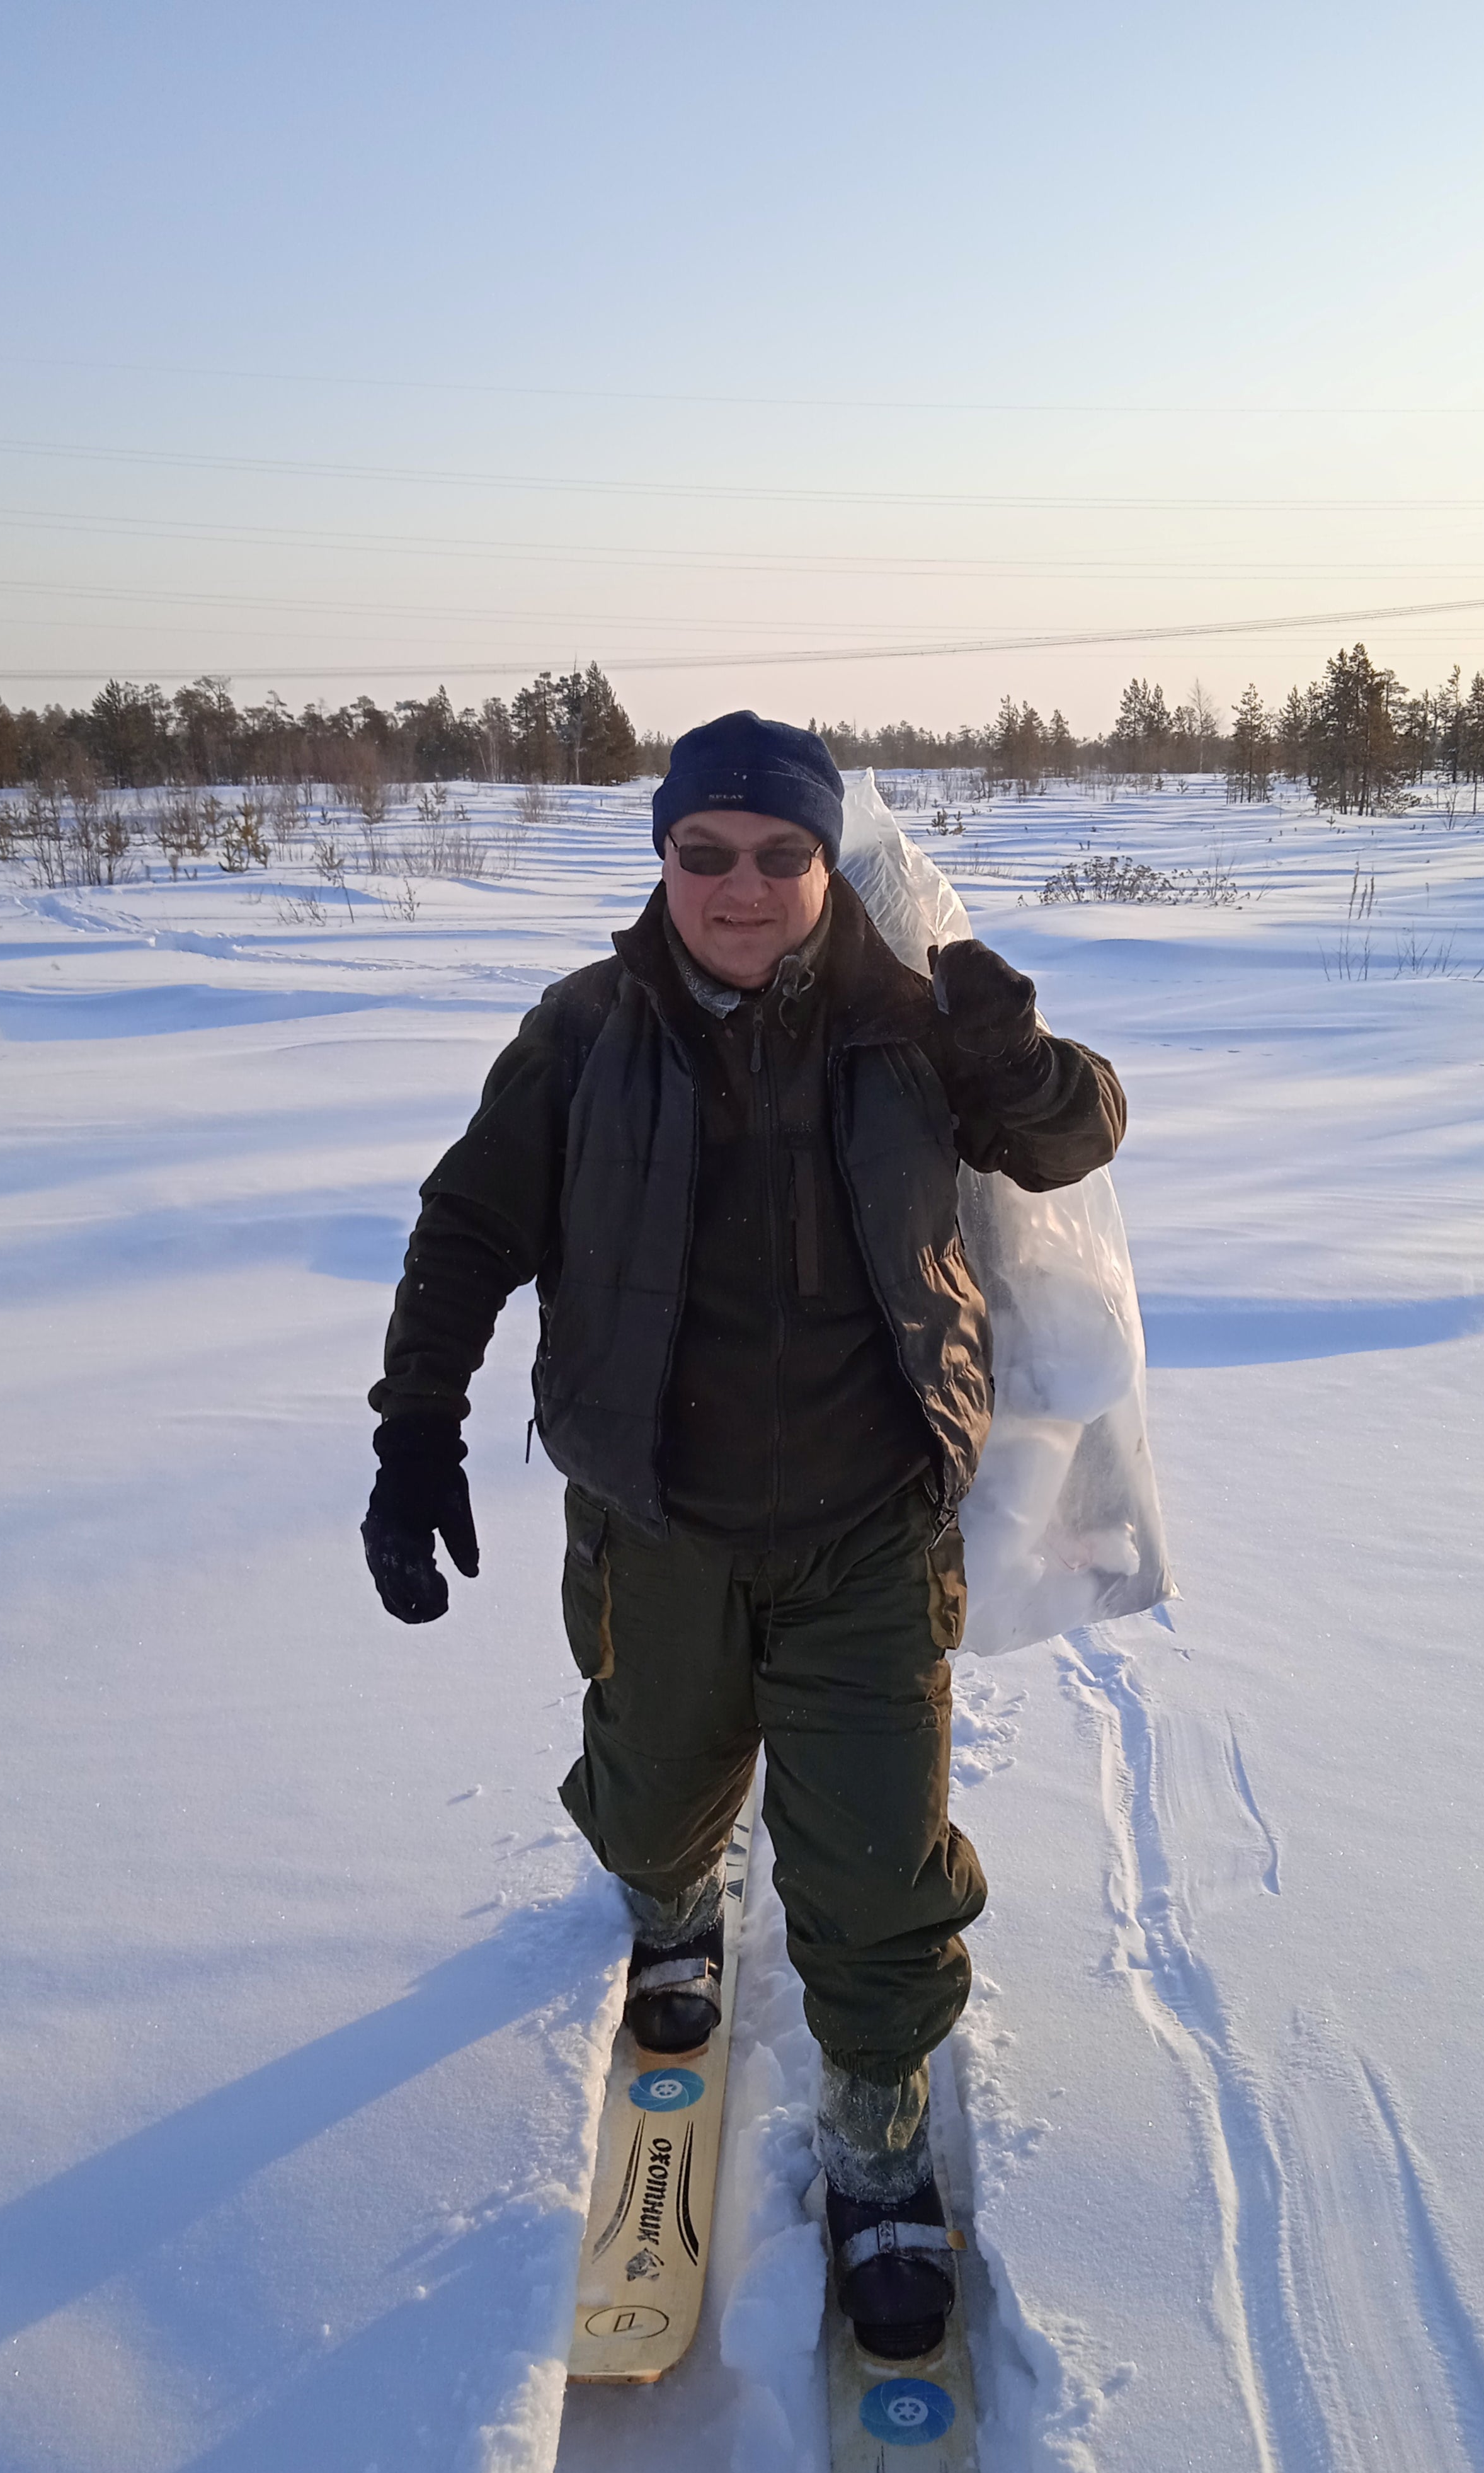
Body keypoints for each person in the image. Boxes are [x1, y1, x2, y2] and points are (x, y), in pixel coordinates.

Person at [363, 711, 1125, 2358]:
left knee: (873, 1861)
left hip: (867, 1529)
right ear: (663, 859)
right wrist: (417, 1424)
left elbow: (1075, 1138)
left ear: (821, 862)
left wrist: (1016, 1060)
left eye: (781, 853)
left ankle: (875, 2137)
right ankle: (678, 1897)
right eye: (705, 852)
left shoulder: (913, 1028)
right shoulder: (582, 1033)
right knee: (650, 1804)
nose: (743, 886)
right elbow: (468, 1225)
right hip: (658, 1525)